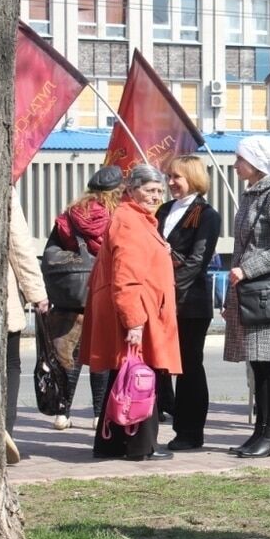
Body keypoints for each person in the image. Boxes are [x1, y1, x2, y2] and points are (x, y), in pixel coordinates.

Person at [81, 164, 181, 461]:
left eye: (159, 191)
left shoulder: (134, 218)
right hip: (139, 310)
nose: (156, 196)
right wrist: (134, 321)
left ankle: (110, 444)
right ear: (132, 190)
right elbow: (127, 277)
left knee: (122, 375)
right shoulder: (130, 222)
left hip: (141, 307)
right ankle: (141, 446)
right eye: (150, 190)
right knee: (140, 375)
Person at [223, 135, 270, 458]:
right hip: (250, 291)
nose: (235, 164)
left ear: (255, 162)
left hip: (266, 292)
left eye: (240, 158)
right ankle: (260, 433)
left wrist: (248, 268)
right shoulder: (252, 193)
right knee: (258, 363)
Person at [44, 166, 122, 430]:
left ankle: (62, 413)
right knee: (100, 354)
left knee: (70, 357)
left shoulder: (70, 215)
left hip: (71, 296)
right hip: (102, 293)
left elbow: (51, 251)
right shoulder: (116, 216)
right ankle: (99, 414)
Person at [156, 155, 221, 451]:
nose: (170, 183)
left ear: (193, 178)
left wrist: (171, 287)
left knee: (189, 366)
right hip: (161, 298)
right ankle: (163, 412)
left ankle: (191, 431)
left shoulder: (205, 214)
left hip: (190, 302)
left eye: (176, 177)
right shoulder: (165, 209)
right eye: (169, 177)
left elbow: (198, 260)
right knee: (162, 364)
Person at [6, 190, 50, 463]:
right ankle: (4, 429)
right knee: (9, 366)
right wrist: (37, 293)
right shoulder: (1, 185)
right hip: (0, 296)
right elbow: (19, 244)